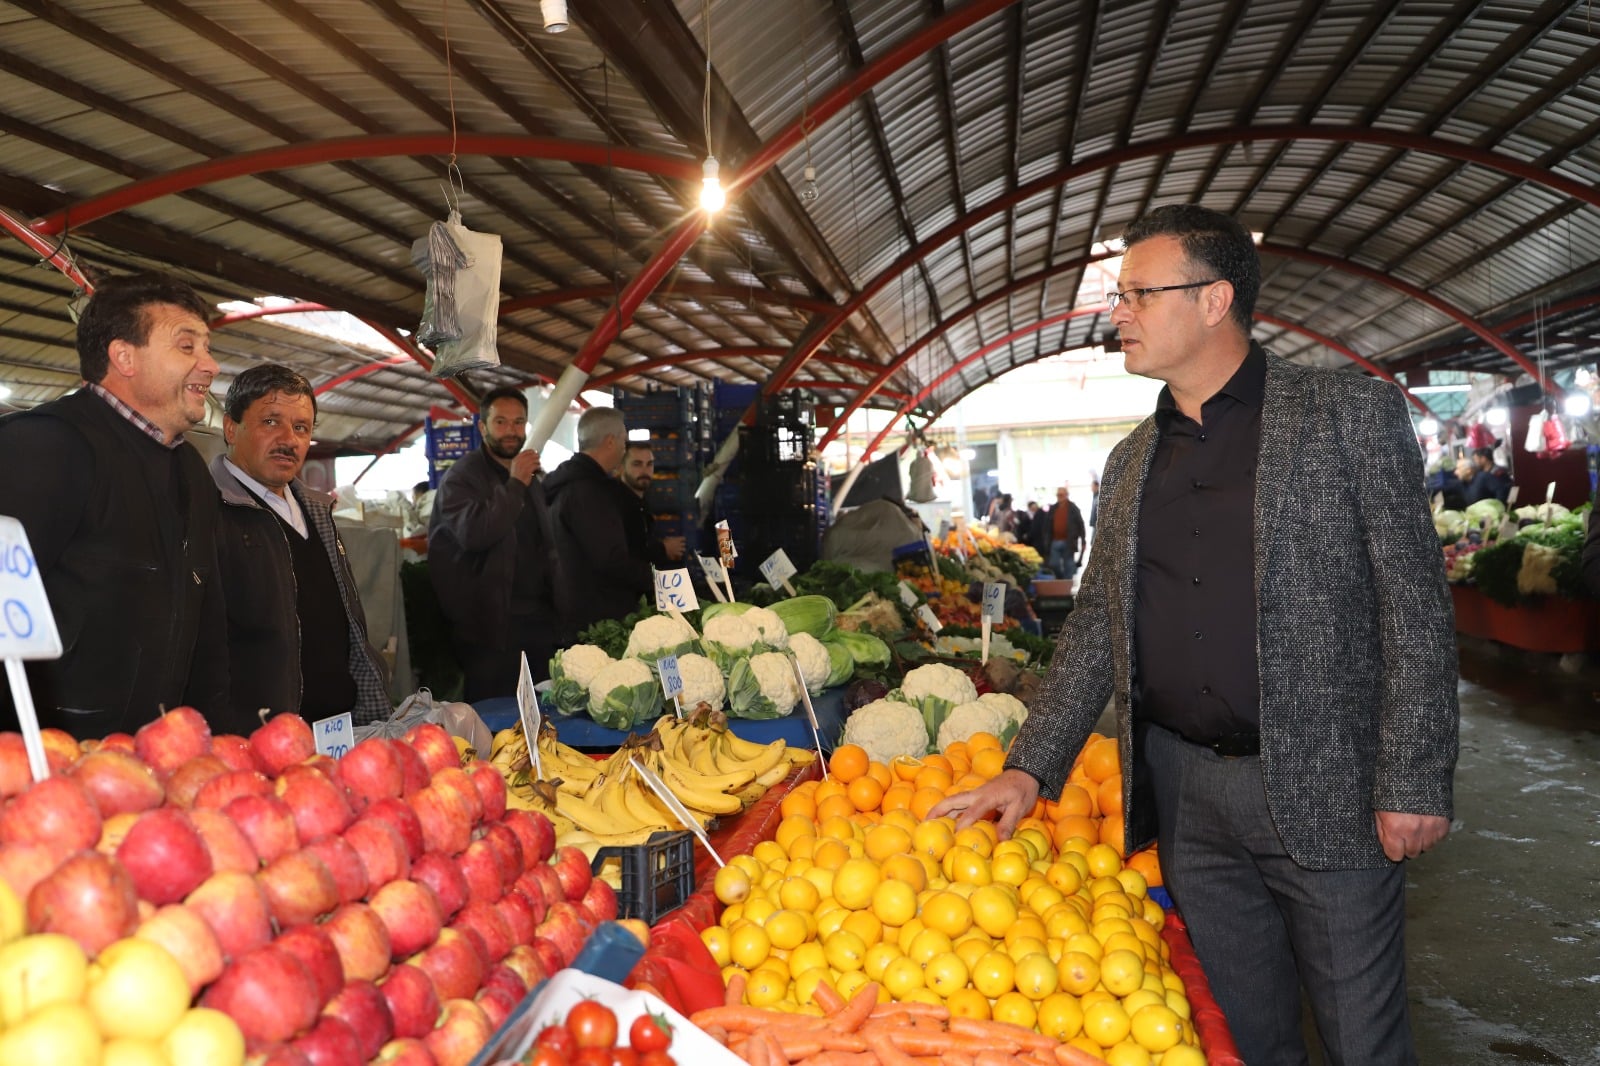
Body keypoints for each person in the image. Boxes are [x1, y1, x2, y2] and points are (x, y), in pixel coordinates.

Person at [932, 204, 1458, 1065]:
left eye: (1140, 293)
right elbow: (1101, 623)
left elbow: (1415, 603)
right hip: (1186, 799)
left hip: (1327, 786)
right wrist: (1031, 766)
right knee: (1243, 1039)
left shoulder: (1345, 414)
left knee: (1363, 1040)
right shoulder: (1132, 459)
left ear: (1215, 300)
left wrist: (1415, 775)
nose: (1119, 313)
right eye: (1121, 295)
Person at [0, 273, 228, 739]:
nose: (211, 365)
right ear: (124, 356)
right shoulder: (44, 447)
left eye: (207, 348)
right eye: (188, 347)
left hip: (154, 760)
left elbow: (206, 627)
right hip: (49, 765)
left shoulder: (192, 471)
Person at [210, 365, 391, 728]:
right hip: (265, 737)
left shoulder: (317, 510)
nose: (289, 440)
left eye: (301, 428)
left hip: (340, 726)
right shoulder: (210, 513)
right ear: (231, 427)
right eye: (271, 422)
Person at [427, 386, 559, 698]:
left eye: (518, 422)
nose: (511, 431)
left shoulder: (530, 478)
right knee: (494, 725)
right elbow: (476, 534)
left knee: (542, 714)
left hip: (537, 623)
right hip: (489, 631)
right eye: (501, 422)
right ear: (483, 426)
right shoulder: (462, 478)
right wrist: (515, 485)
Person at [545, 407, 654, 635]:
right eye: (624, 441)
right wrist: (657, 579)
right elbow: (609, 559)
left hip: (573, 610)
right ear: (610, 442)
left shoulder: (568, 484)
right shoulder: (588, 492)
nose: (625, 448)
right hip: (595, 620)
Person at [617, 441, 688, 568]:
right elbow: (626, 552)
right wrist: (663, 548)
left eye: (649, 464)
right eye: (637, 464)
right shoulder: (617, 505)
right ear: (621, 467)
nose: (645, 471)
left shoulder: (643, 502)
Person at [1034, 485, 1086, 579]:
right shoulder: (1053, 508)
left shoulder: (1073, 508)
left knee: (1069, 565)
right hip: (1055, 540)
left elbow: (1080, 525)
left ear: (1066, 495)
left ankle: (1067, 585)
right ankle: (1061, 578)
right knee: (1053, 564)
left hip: (1069, 541)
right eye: (1058, 495)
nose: (1059, 497)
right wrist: (1046, 539)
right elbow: (1046, 526)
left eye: (1061, 495)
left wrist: (1083, 540)